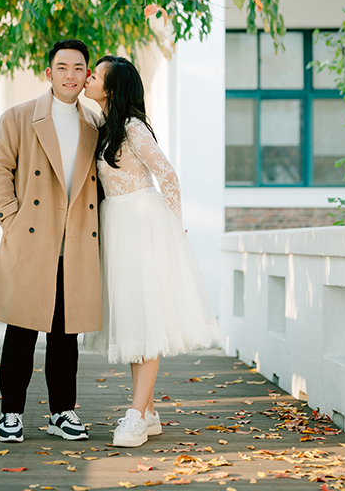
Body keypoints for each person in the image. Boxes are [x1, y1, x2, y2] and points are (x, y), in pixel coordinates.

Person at [82, 56, 220, 447]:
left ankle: (135, 415)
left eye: (96, 74)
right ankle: (148, 411)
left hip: (142, 225)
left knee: (145, 323)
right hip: (117, 225)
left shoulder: (131, 127)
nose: (89, 77)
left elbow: (168, 175)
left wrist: (173, 228)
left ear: (112, 87)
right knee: (132, 322)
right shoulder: (105, 127)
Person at [0, 40, 103, 443]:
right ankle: (11, 412)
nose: (71, 74)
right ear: (48, 73)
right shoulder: (18, 117)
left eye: (79, 67)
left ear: (88, 75)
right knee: (21, 331)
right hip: (32, 239)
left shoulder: (95, 124)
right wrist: (12, 220)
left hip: (76, 245)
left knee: (66, 336)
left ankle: (62, 412)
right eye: (62, 66)